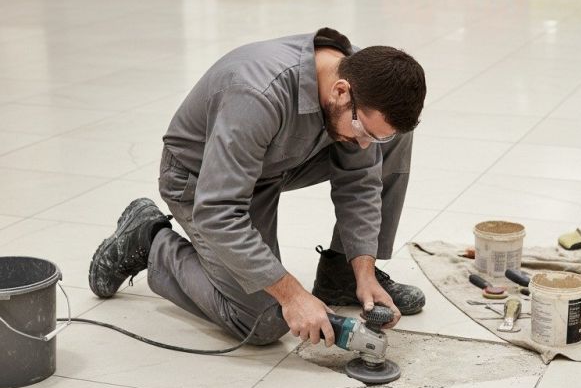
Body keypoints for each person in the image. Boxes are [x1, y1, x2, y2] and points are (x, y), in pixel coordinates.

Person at [88, 27, 427, 348]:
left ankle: (342, 275)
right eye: (362, 130)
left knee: (392, 141)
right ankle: (150, 241)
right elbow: (218, 211)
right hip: (200, 179)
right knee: (262, 320)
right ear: (340, 91)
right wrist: (292, 295)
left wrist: (363, 270)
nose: (365, 145)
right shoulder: (256, 94)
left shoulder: (358, 78)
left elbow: (360, 180)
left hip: (273, 162)